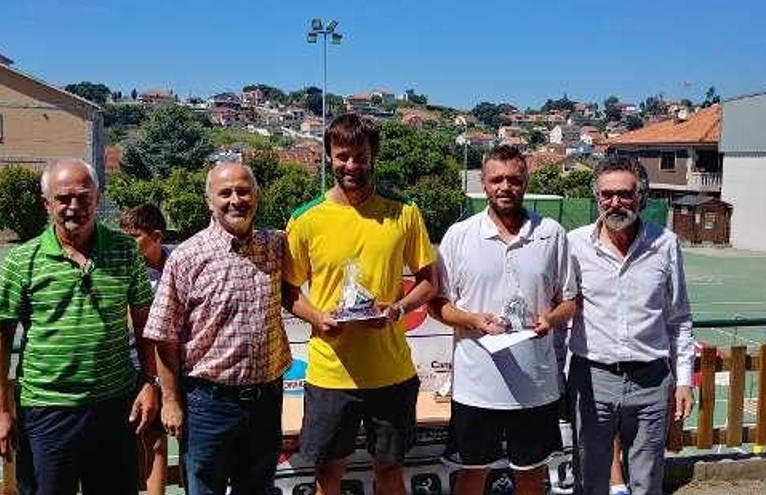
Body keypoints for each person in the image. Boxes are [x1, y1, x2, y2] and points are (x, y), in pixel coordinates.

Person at [282, 113, 438, 495]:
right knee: (328, 476)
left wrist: (397, 310)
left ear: (373, 157)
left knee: (389, 473)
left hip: (391, 373)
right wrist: (319, 317)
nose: (352, 165)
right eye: (342, 156)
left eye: (360, 156)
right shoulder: (305, 220)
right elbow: (288, 292)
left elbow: (428, 283)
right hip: (330, 375)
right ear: (329, 157)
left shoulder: (404, 211)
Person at [0, 158, 160, 495]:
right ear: (46, 203)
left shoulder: (124, 250)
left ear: (98, 197)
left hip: (114, 408)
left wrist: (150, 382)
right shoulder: (22, 260)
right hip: (47, 411)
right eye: (63, 198)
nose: (74, 206)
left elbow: (144, 324)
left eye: (83, 196)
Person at [429, 145, 577, 495]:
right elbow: (438, 304)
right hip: (477, 386)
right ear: (484, 183)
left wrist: (550, 320)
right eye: (497, 179)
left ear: (525, 182)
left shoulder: (551, 233)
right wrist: (471, 320)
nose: (505, 187)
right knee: (472, 475)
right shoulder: (459, 236)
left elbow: (570, 301)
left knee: (530, 475)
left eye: (514, 179)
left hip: (535, 386)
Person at [144, 160, 292, 495]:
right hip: (208, 404)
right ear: (210, 201)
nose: (236, 200)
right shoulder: (188, 257)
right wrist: (170, 400)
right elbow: (163, 337)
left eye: (244, 191)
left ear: (256, 196)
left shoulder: (275, 245)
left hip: (265, 402)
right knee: (204, 489)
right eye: (225, 193)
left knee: (257, 488)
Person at [567, 155, 694, 495]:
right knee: (589, 479)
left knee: (647, 480)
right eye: (606, 195)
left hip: (652, 380)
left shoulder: (665, 244)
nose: (615, 203)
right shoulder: (574, 244)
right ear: (596, 198)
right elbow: (562, 312)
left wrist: (683, 381)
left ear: (641, 196)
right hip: (591, 378)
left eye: (624, 194)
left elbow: (679, 318)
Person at [120, 203, 172, 495]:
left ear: (156, 237)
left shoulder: (179, 261)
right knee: (145, 437)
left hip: (177, 360)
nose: (127, 243)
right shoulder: (126, 269)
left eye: (134, 236)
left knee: (180, 439)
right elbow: (131, 319)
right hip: (137, 360)